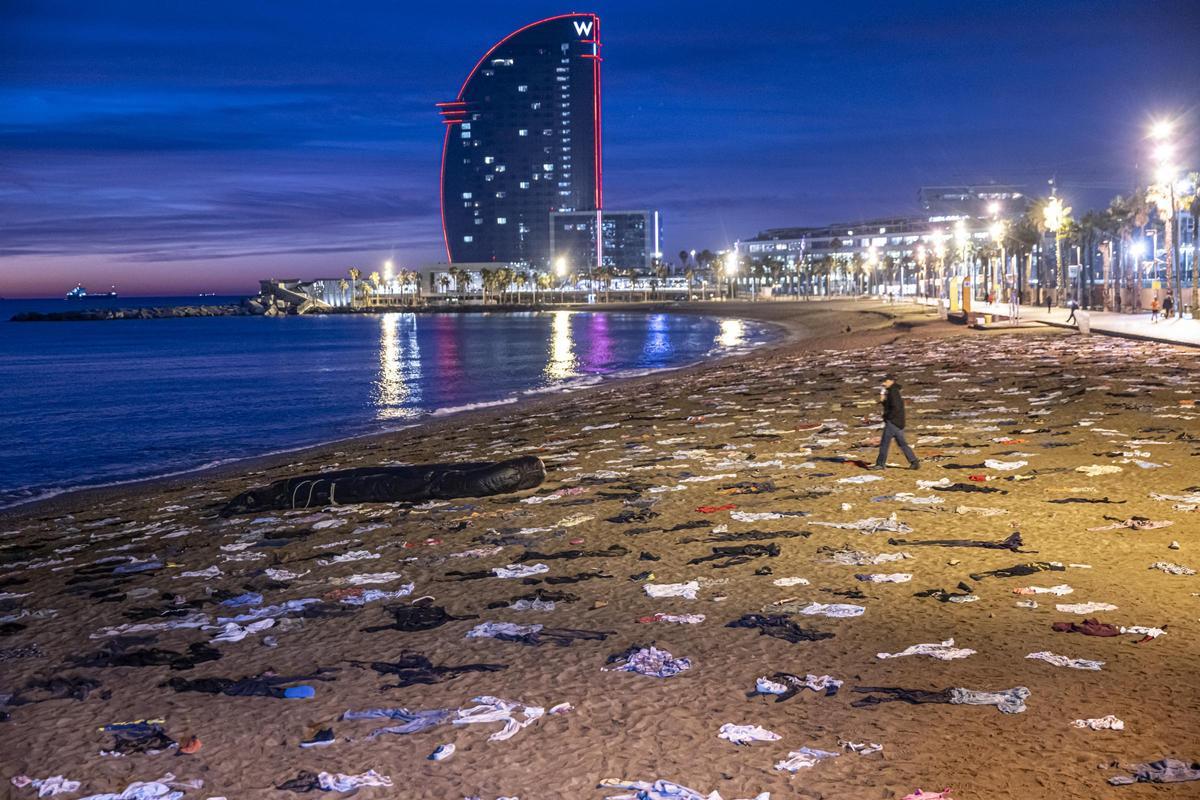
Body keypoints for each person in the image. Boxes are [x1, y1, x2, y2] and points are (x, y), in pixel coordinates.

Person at [870, 375, 919, 470]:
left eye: (884, 381)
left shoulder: (893, 392)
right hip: (898, 422)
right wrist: (883, 400)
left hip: (893, 422)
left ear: (890, 381)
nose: (883, 384)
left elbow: (895, 407)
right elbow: (892, 406)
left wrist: (888, 417)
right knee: (902, 443)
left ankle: (880, 464)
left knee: (885, 443)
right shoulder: (893, 391)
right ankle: (914, 462)